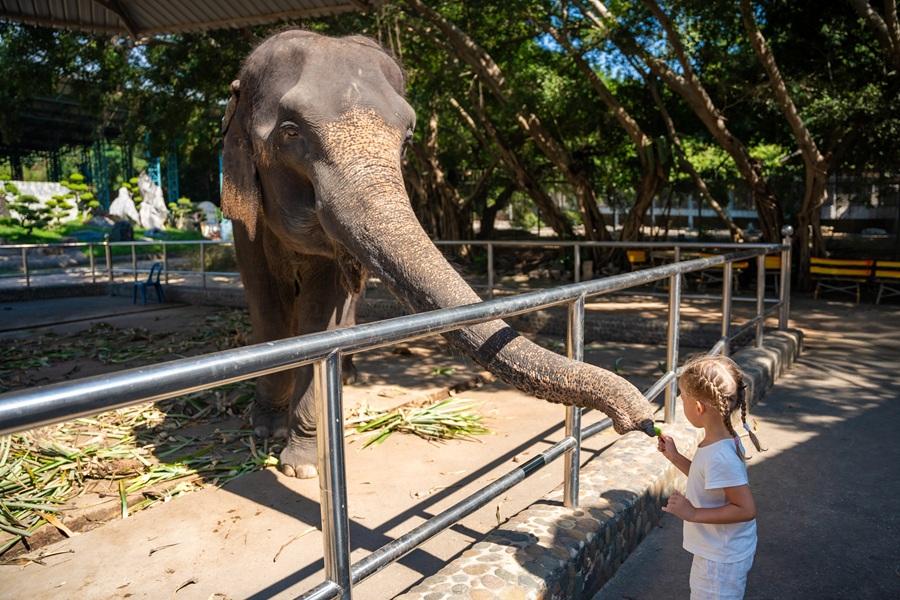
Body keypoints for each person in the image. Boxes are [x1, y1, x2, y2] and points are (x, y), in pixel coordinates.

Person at [657, 355, 764, 599]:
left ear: (698, 408)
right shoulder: (720, 439)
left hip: (720, 559)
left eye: (682, 397)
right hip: (718, 549)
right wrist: (675, 457)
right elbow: (709, 480)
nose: (680, 401)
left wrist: (693, 513)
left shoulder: (719, 455)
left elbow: (746, 509)